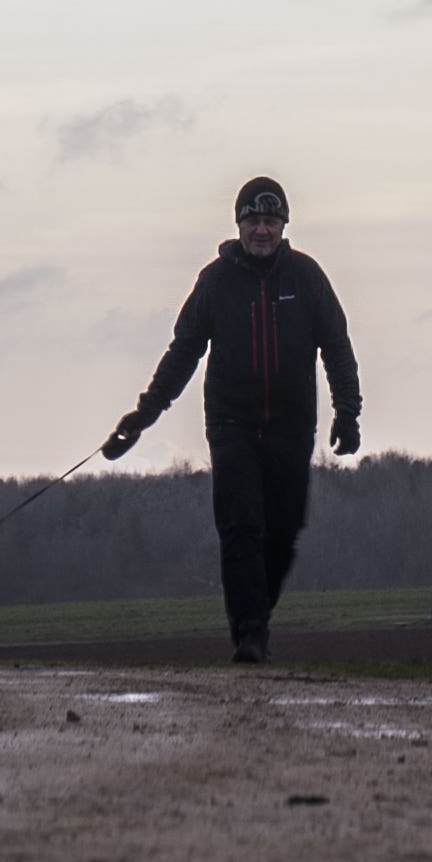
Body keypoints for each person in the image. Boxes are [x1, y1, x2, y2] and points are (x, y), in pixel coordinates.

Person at [104, 175, 359, 662]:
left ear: (284, 226)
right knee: (241, 527)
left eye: (271, 221)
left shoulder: (307, 278)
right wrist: (144, 414)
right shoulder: (215, 282)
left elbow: (338, 347)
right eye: (253, 221)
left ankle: (256, 614)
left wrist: (348, 412)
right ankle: (249, 633)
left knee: (283, 532)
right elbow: (183, 352)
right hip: (231, 425)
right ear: (239, 225)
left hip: (291, 424)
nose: (262, 230)